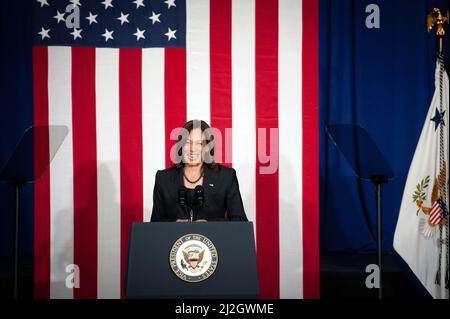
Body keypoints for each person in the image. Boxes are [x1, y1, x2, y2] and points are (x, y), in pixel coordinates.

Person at [150, 120, 248, 222]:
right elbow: (155, 224)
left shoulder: (225, 177)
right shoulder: (163, 179)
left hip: (215, 237)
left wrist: (209, 225)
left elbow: (240, 221)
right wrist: (174, 224)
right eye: (188, 142)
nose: (192, 149)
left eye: (199, 143)